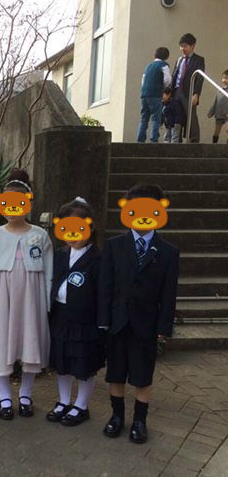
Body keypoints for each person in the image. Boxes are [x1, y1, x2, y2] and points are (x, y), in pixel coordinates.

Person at [98, 184, 179, 444]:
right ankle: (117, 416)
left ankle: (140, 421)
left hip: (147, 324)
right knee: (116, 372)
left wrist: (164, 327)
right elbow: (105, 286)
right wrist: (103, 320)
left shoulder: (168, 252)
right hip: (118, 322)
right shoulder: (114, 246)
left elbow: (169, 292)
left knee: (143, 375)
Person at [0, 169, 53, 420]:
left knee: (30, 341)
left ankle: (25, 393)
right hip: (3, 298)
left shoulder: (40, 235)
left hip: (33, 299)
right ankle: (4, 395)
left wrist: (47, 302)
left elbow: (49, 272)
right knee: (3, 342)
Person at [46, 197, 104, 427]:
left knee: (83, 363)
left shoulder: (98, 259)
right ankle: (63, 401)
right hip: (60, 316)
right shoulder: (60, 255)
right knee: (62, 361)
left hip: (85, 320)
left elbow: (103, 293)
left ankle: (81, 404)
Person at [171, 33, 205, 142]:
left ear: (193, 46)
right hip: (176, 91)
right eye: (181, 46)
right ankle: (177, 140)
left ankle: (194, 141)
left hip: (188, 92)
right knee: (177, 117)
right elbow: (174, 76)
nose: (182, 49)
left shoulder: (199, 60)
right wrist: (169, 91)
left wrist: (196, 94)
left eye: (185, 46)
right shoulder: (179, 60)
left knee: (191, 117)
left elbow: (199, 78)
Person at [137, 47, 171, 143]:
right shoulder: (164, 65)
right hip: (155, 94)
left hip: (144, 94)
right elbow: (167, 79)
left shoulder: (148, 66)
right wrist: (164, 88)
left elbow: (143, 81)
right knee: (156, 118)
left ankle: (140, 140)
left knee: (144, 118)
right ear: (166, 57)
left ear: (154, 55)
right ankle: (154, 139)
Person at [207, 69, 228, 144]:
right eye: (223, 78)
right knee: (216, 131)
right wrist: (211, 112)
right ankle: (214, 144)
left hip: (227, 114)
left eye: (227, 78)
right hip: (219, 114)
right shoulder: (220, 90)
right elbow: (216, 103)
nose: (224, 80)